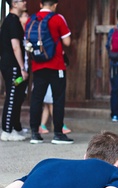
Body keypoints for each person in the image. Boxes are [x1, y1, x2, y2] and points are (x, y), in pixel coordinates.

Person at [27, 0, 73, 144]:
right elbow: (67, 42)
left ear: (40, 4)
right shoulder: (57, 18)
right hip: (56, 65)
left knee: (36, 99)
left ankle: (35, 133)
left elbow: (27, 42)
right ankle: (58, 134)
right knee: (58, 98)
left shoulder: (31, 20)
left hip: (37, 65)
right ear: (55, 5)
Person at [0, 0, 29, 142]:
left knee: (17, 96)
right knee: (11, 97)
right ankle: (6, 131)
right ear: (13, 4)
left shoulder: (14, 20)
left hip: (14, 66)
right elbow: (15, 46)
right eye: (21, 1)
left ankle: (15, 128)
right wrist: (22, 67)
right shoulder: (11, 21)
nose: (25, 2)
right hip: (12, 65)